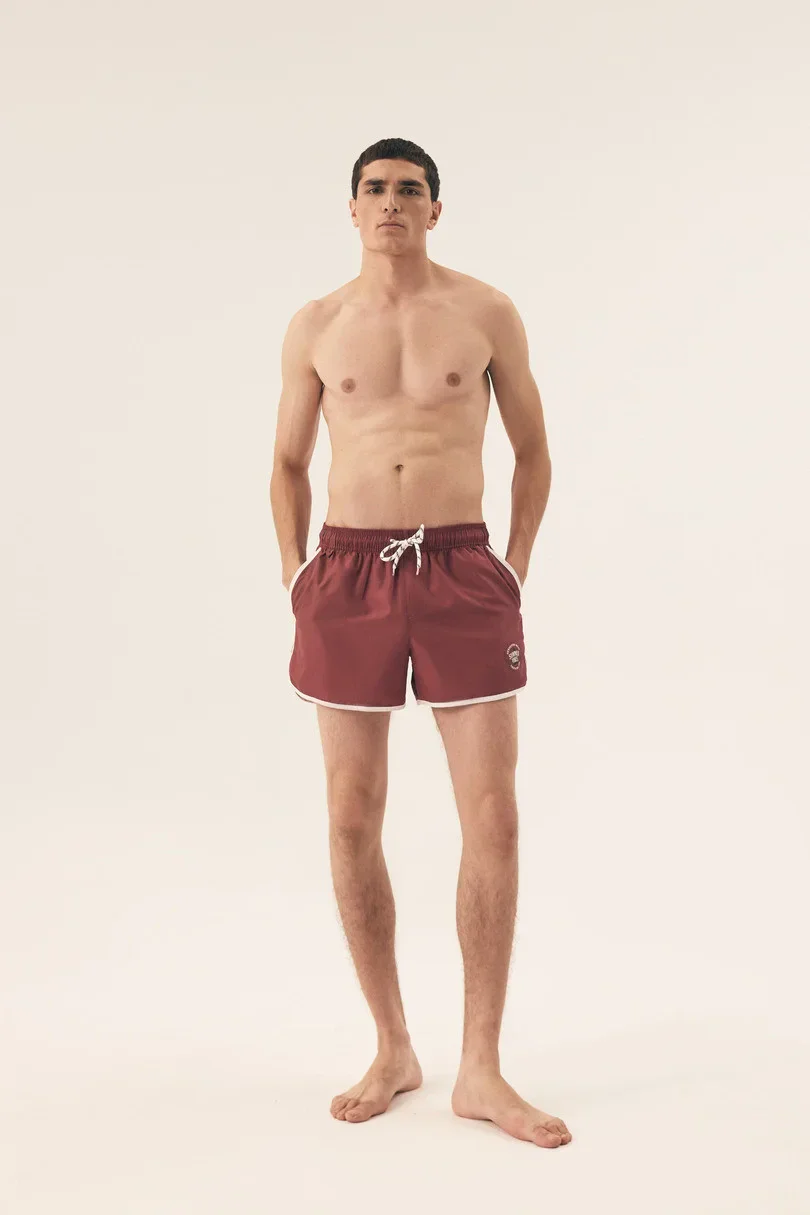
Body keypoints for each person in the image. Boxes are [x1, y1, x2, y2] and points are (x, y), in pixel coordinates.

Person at [269, 137, 571, 1149]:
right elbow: (286, 461)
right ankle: (393, 1046)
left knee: (494, 816)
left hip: (461, 569)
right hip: (347, 572)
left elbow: (533, 450)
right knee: (350, 816)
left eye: (409, 189)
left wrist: (513, 564)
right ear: (352, 209)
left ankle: (480, 1067)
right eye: (375, 189)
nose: (390, 202)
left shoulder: (486, 312)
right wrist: (294, 572)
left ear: (436, 210)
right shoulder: (316, 325)